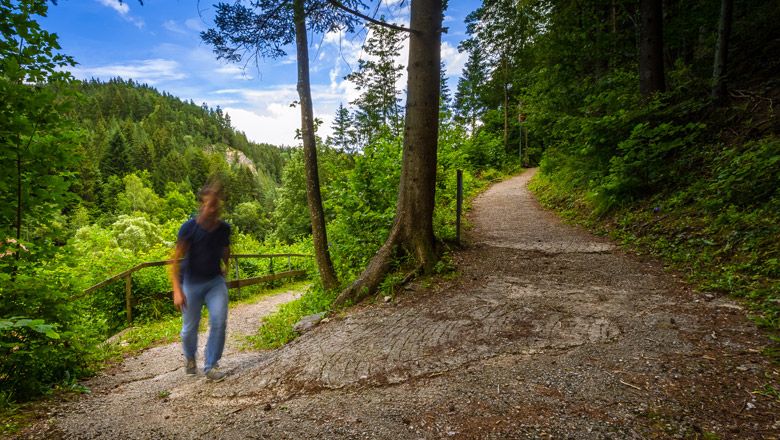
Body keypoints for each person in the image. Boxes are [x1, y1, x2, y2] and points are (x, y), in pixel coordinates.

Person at [169, 184, 231, 382]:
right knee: (189, 329)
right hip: (191, 283)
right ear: (202, 205)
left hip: (214, 282)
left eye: (216, 205)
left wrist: (225, 268)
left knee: (219, 321)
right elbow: (173, 261)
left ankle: (211, 365)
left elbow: (226, 251)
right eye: (209, 205)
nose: (213, 209)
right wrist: (177, 290)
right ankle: (189, 357)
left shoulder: (224, 229)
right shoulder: (189, 228)